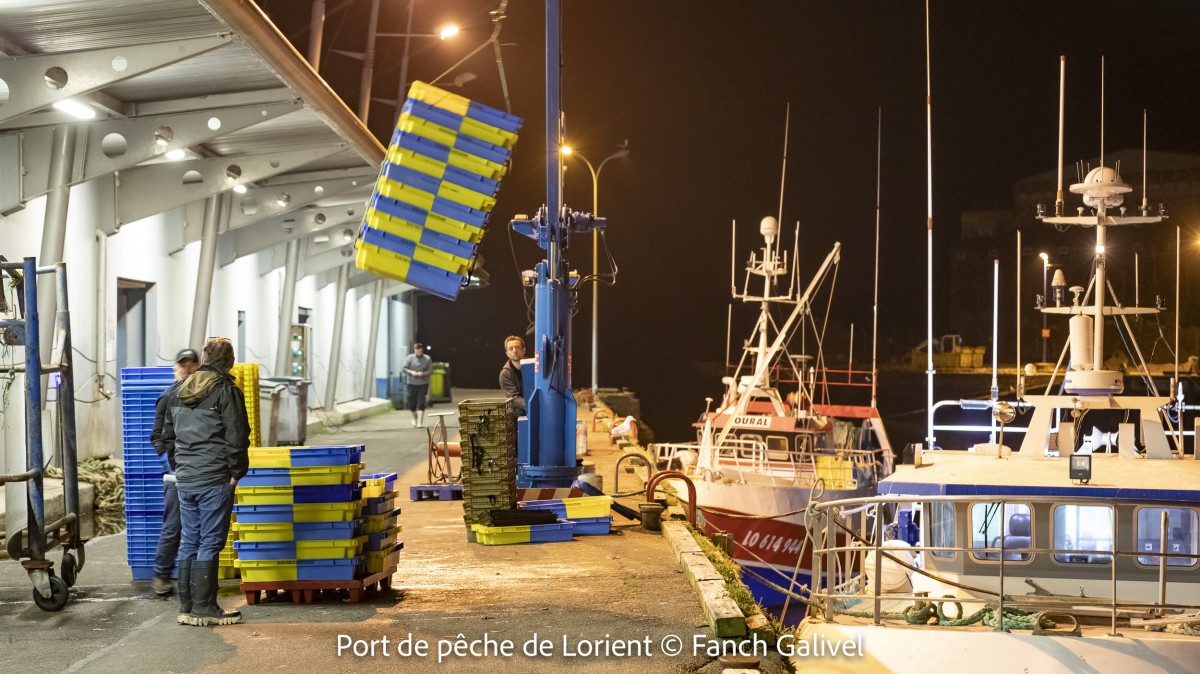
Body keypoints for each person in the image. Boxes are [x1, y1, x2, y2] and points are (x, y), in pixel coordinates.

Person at [162, 337, 250, 626]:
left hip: (186, 478)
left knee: (190, 540)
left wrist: (181, 467)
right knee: (210, 541)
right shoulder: (226, 390)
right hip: (214, 476)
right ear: (230, 361)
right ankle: (205, 607)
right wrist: (236, 472)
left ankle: (187, 607)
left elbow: (167, 436)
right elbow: (237, 435)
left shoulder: (178, 389)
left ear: (204, 358)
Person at [148, 348, 200, 597]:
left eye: (192, 364)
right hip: (177, 473)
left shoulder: (206, 397)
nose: (187, 369)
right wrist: (169, 464)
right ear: (176, 368)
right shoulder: (167, 397)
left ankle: (198, 578)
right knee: (174, 527)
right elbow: (156, 436)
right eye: (183, 365)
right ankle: (162, 576)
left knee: (202, 529)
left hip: (202, 470)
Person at [402, 342, 432, 427]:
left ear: (422, 350)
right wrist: (411, 372)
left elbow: (431, 371)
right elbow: (404, 368)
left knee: (421, 402)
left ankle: (419, 422)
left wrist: (423, 373)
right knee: (412, 403)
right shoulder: (409, 358)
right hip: (411, 383)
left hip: (423, 383)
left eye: (420, 352)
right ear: (414, 350)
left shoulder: (427, 358)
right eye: (417, 352)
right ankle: (414, 418)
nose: (418, 353)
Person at [499, 335, 526, 417]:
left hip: (535, 402)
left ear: (524, 350)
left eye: (517, 347)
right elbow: (513, 398)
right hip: (518, 409)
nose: (514, 351)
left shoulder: (534, 366)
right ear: (507, 354)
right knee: (520, 412)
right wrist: (532, 405)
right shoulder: (505, 374)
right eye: (511, 348)